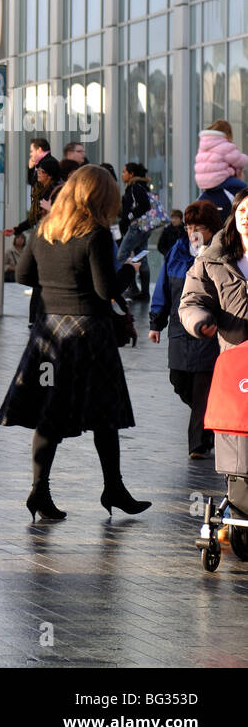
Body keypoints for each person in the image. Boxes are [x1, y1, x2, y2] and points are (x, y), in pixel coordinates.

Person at [0, 164, 150, 521]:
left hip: (51, 333)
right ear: (100, 196)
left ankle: (40, 491)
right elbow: (105, 290)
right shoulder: (95, 234)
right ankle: (113, 487)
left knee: (50, 415)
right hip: (89, 335)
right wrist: (130, 268)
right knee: (105, 414)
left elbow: (22, 275)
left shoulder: (43, 230)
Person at [181, 187, 248, 497]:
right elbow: (192, 299)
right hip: (236, 362)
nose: (246, 218)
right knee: (238, 438)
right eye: (242, 212)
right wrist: (199, 321)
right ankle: (239, 503)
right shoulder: (212, 259)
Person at [150, 200, 221, 459]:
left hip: (208, 331)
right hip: (179, 329)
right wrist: (156, 322)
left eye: (200, 226)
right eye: (190, 226)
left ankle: (199, 444)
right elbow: (163, 288)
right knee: (178, 381)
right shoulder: (177, 251)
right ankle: (212, 421)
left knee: (203, 386)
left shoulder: (220, 254)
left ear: (212, 228)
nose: (194, 232)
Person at [194, 120, 248, 224]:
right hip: (220, 180)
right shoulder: (224, 144)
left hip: (206, 183)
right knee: (244, 188)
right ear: (227, 132)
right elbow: (237, 160)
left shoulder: (205, 143)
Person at [118, 162, 156, 299]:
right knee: (141, 256)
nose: (122, 175)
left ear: (131, 174)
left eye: (124, 172)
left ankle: (133, 287)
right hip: (144, 227)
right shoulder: (142, 186)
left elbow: (144, 205)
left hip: (137, 227)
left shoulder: (135, 187)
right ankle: (144, 292)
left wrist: (129, 216)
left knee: (122, 255)